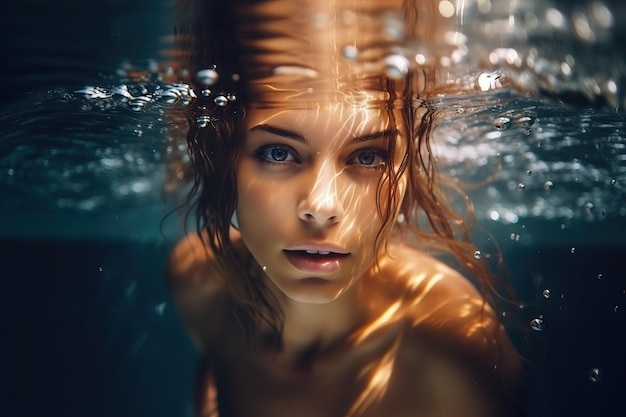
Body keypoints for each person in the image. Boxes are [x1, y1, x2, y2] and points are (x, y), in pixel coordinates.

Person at [166, 1, 525, 416]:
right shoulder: (199, 284)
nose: (321, 206)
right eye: (278, 152)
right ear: (223, 157)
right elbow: (219, 370)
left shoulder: (455, 347)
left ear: (409, 165)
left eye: (369, 157)